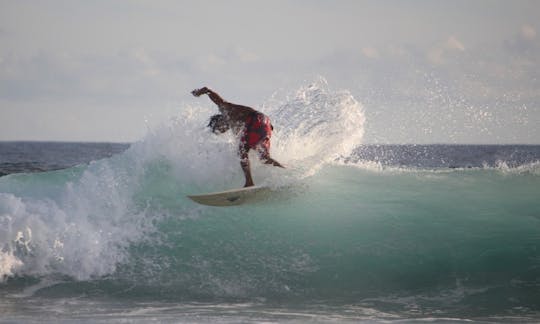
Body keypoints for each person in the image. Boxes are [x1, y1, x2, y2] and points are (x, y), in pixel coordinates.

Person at [192, 87, 284, 187]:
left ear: (219, 121)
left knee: (241, 151)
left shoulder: (226, 110)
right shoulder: (237, 126)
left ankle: (249, 183)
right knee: (264, 158)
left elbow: (211, 93)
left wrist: (203, 91)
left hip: (256, 120)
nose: (223, 131)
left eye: (219, 129)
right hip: (265, 123)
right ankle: (287, 172)